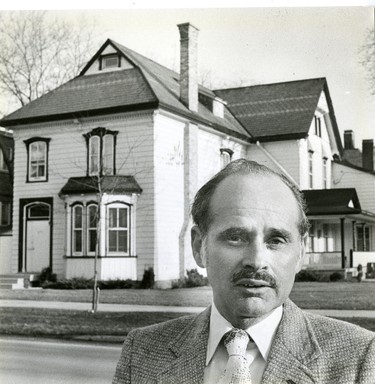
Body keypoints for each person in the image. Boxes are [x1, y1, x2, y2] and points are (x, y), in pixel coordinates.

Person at [113, 159, 375, 384]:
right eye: (236, 237)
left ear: (300, 254)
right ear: (198, 246)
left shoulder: (358, 358)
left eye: (276, 240)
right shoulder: (142, 352)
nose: (256, 260)